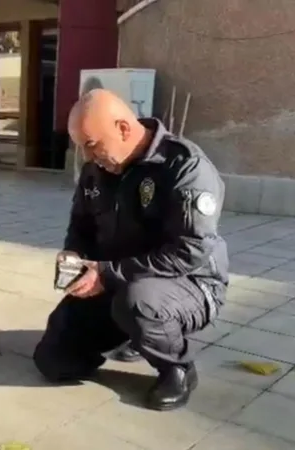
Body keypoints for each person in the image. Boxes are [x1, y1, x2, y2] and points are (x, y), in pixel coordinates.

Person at [33, 89, 229, 411]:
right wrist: (74, 257)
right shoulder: (96, 171)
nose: (86, 156)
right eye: (81, 147)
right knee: (53, 361)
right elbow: (81, 225)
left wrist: (108, 275)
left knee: (137, 302)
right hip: (117, 278)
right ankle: (130, 335)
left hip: (189, 284)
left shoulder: (184, 168)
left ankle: (177, 368)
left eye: (92, 145)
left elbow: (189, 251)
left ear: (123, 128)